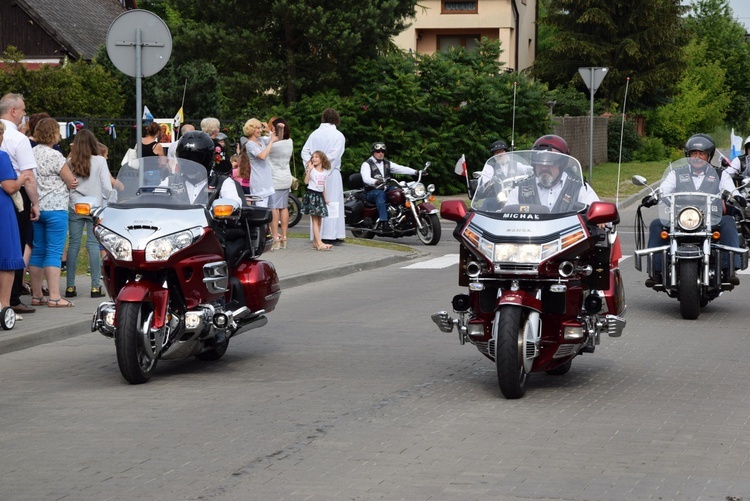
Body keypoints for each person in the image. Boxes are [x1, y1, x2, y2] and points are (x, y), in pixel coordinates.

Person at [644, 133, 743, 286]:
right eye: (693, 153)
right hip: (682, 219)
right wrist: (652, 196)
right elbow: (663, 189)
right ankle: (656, 271)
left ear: (708, 156)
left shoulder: (719, 174)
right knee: (657, 224)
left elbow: (730, 190)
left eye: (701, 153)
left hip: (712, 218)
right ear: (688, 155)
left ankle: (729, 269)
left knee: (728, 221)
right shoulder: (676, 173)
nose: (697, 157)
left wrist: (736, 196)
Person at [29, 118, 78, 307]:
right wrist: (72, 181)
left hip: (37, 208)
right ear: (54, 133)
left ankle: (37, 295)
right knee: (54, 251)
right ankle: (55, 297)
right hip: (56, 207)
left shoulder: (30, 153)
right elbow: (69, 180)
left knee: (38, 250)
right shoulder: (56, 155)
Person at [0, 93, 40, 315]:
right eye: (23, 110)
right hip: (14, 196)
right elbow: (28, 175)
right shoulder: (18, 138)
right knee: (13, 247)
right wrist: (34, 203)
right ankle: (11, 298)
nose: (25, 115)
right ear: (13, 111)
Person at [65, 129, 116, 299]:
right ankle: (95, 287)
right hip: (94, 207)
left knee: (74, 245)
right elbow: (107, 186)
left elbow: (68, 185)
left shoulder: (70, 161)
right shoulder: (100, 161)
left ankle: (70, 287)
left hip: (76, 206)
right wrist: (114, 200)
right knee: (93, 246)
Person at [506, 134, 599, 209]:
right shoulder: (520, 188)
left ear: (561, 164)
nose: (544, 167)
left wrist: (600, 220)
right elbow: (504, 217)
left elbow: (602, 217)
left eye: (550, 163)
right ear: (534, 164)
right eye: (539, 162)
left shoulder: (578, 188)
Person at [301, 108, 346, 245]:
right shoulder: (338, 135)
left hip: (316, 173)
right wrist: (325, 167)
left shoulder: (314, 134)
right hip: (331, 173)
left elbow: (305, 151)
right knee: (332, 203)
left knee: (317, 203)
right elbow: (335, 154)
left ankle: (318, 235)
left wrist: (311, 165)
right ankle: (331, 234)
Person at [0, 122, 28, 319]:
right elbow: (9, 186)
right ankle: (4, 306)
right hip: (2, 209)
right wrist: (22, 179)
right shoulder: (1, 157)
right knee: (7, 259)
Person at [360, 142, 418, 231]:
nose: (380, 153)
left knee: (400, 192)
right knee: (380, 194)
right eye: (378, 151)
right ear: (373, 152)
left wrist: (416, 172)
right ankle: (384, 222)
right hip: (371, 191)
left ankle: (403, 217)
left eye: (383, 151)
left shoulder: (387, 163)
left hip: (385, 188)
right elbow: (366, 178)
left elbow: (401, 168)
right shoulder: (367, 164)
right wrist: (375, 181)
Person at [267, 117, 294, 250]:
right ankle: (284, 236)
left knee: (274, 207)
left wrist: (269, 133)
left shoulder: (273, 143)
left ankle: (275, 237)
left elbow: (267, 145)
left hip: (274, 178)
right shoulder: (289, 141)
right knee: (284, 207)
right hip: (286, 177)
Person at [243, 118, 277, 207]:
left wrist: (277, 129)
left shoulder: (261, 140)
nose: (260, 130)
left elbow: (278, 137)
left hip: (268, 182)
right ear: (251, 129)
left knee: (271, 210)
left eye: (260, 128)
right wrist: (271, 142)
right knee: (262, 211)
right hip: (259, 183)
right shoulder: (250, 144)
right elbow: (262, 156)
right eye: (258, 128)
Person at [301, 151, 331, 250]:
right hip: (312, 195)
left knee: (319, 220)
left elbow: (323, 186)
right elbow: (306, 181)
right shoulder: (312, 170)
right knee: (314, 220)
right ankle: (319, 243)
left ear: (322, 159)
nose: (314, 158)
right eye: (313, 157)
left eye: (316, 157)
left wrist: (325, 198)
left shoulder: (325, 172)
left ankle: (315, 242)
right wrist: (309, 170)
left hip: (320, 196)